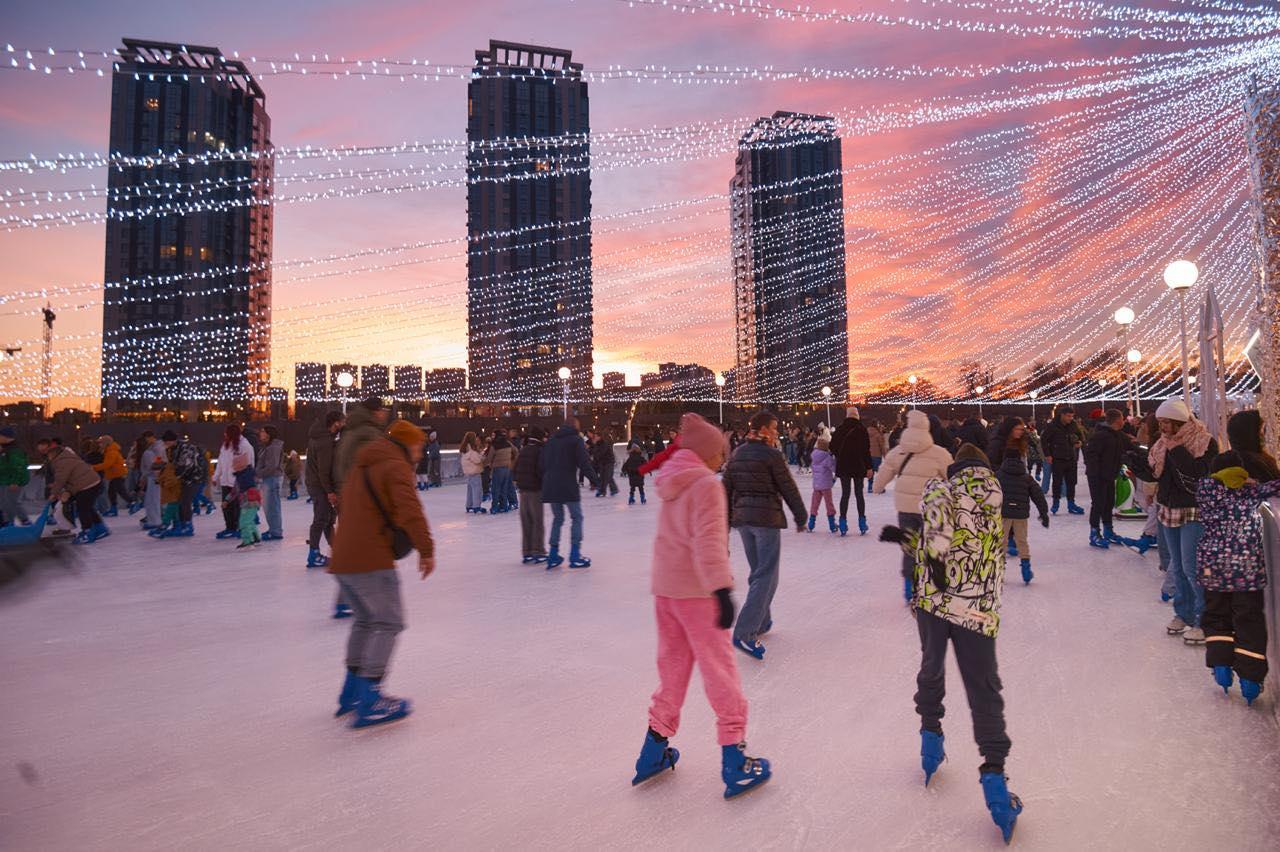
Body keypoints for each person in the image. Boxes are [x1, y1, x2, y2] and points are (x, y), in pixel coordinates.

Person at [880, 443, 1022, 843]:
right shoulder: (995, 497)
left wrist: (909, 541)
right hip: (976, 609)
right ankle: (995, 778)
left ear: (955, 468)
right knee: (984, 690)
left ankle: (930, 738)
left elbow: (939, 541)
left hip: (933, 602)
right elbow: (970, 547)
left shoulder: (941, 489)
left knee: (931, 668)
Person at [632, 413, 771, 798]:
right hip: (697, 593)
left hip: (667, 592)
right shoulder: (707, 486)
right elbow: (708, 543)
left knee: (672, 670)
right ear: (707, 454)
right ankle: (734, 758)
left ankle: (653, 751)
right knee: (719, 671)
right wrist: (722, 591)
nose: (722, 459)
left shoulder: (672, 482)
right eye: (719, 453)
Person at [329, 419, 436, 729]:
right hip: (370, 558)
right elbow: (410, 509)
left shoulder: (363, 464)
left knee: (365, 621)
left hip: (344, 558)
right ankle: (370, 697)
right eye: (417, 445)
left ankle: (350, 692)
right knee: (389, 622)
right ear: (407, 444)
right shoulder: (395, 466)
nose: (420, 451)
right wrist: (426, 550)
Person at [1126, 398, 1219, 645]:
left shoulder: (1204, 441)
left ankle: (1203, 619)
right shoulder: (1161, 444)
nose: (1163, 427)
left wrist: (1176, 448)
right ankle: (1183, 613)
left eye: (1167, 422)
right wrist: (1137, 465)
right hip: (1168, 508)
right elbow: (1158, 474)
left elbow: (1196, 473)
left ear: (1179, 422)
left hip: (1194, 510)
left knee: (1192, 567)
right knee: (1176, 567)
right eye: (1160, 422)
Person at [1197, 447, 1279, 706]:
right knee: (1249, 619)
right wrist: (1251, 482)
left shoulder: (1205, 491)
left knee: (1216, 615)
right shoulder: (1250, 491)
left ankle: (1221, 666)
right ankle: (1250, 680)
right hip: (1245, 568)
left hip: (1212, 566)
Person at [723, 410, 808, 660]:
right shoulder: (772, 455)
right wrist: (801, 516)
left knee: (759, 573)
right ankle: (745, 632)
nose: (775, 432)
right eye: (773, 428)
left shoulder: (738, 453)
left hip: (744, 522)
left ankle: (761, 621)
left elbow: (725, 490)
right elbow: (788, 487)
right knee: (766, 575)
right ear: (761, 429)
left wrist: (727, 522)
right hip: (765, 521)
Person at [874, 411, 954, 600]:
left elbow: (884, 473)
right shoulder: (939, 453)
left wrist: (878, 487)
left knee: (909, 545)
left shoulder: (898, 451)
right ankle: (931, 583)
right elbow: (952, 476)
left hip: (905, 507)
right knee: (933, 544)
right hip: (929, 507)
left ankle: (909, 584)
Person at [540, 418, 599, 569]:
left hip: (551, 485)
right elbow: (584, 463)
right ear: (575, 427)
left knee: (558, 518)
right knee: (576, 517)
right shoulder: (576, 440)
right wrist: (595, 480)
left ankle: (553, 554)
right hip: (567, 484)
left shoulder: (551, 440)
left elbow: (542, 463)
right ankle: (575, 555)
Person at [994, 448, 1049, 584]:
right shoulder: (1026, 477)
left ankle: (999, 571)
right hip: (1020, 514)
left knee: (1001, 542)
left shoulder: (998, 476)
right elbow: (1038, 495)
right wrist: (1044, 513)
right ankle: (1026, 570)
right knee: (1022, 541)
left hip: (1003, 514)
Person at [1083, 409, 1134, 550]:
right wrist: (1096, 473)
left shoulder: (1117, 435)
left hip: (1110, 475)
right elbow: (1091, 455)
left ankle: (1108, 530)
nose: (1124, 421)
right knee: (1098, 503)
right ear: (1117, 420)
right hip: (1098, 476)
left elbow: (1131, 446)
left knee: (1108, 503)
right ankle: (1094, 533)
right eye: (1123, 418)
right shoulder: (1101, 435)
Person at [45, 440, 109, 544]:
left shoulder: (62, 462)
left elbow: (61, 479)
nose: (48, 458)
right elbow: (72, 479)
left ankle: (87, 532)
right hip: (91, 482)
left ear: (53, 454)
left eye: (48, 455)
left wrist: (54, 493)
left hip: (87, 485)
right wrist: (67, 491)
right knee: (88, 507)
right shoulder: (68, 458)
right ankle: (100, 528)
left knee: (83, 509)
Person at [305, 411, 344, 569]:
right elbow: (323, 470)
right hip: (319, 485)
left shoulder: (322, 437)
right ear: (335, 423)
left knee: (328, 520)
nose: (343, 425)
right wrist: (330, 492)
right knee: (321, 519)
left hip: (317, 484)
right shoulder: (324, 442)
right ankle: (313, 554)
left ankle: (338, 552)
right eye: (342, 422)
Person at [830, 406, 873, 536]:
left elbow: (832, 447)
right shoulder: (862, 430)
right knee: (859, 494)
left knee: (845, 494)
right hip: (859, 466)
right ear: (857, 416)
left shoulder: (839, 429)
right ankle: (862, 522)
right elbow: (866, 451)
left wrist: (841, 456)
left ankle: (842, 522)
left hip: (844, 466)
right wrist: (869, 467)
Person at [335, 397, 390, 493]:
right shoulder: (369, 432)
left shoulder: (353, 429)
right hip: (363, 489)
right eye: (383, 410)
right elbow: (377, 461)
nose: (385, 414)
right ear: (376, 411)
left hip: (351, 486)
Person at [1040, 404, 1086, 515]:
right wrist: (1048, 455)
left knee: (1071, 482)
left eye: (1072, 416)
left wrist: (1080, 442)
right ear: (1062, 415)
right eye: (1068, 416)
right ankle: (1056, 502)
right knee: (1057, 482)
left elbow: (1081, 436)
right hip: (1058, 458)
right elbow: (1044, 440)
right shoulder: (1053, 426)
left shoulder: (1073, 425)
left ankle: (1071, 504)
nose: (1071, 418)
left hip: (1071, 457)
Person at [212, 425, 254, 540]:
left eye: (226, 433)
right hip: (225, 481)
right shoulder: (225, 446)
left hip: (238, 481)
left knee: (237, 507)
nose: (224, 435)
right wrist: (216, 476)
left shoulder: (244, 446)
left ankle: (240, 528)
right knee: (226, 506)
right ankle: (229, 527)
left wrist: (246, 479)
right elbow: (220, 462)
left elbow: (249, 463)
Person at [515, 425, 548, 563]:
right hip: (535, 489)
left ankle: (527, 551)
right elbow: (541, 470)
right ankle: (537, 550)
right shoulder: (540, 450)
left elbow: (516, 468)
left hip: (523, 490)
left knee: (526, 521)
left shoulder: (524, 449)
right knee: (537, 521)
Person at [256, 425, 285, 542]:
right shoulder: (267, 447)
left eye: (262, 431)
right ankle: (274, 529)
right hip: (269, 478)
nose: (260, 434)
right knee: (269, 506)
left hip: (271, 479)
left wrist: (258, 473)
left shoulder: (273, 448)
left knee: (272, 506)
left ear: (268, 434)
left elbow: (271, 466)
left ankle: (276, 531)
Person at [0, 428, 31, 527]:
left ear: (6, 437)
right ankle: (7, 521)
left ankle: (23, 520)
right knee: (4, 502)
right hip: (5, 480)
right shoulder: (5, 449)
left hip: (12, 481)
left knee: (11, 502)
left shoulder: (15, 450)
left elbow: (18, 467)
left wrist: (15, 482)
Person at [94, 435, 128, 517]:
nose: (99, 445)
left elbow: (107, 464)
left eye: (101, 443)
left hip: (117, 474)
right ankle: (114, 508)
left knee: (120, 491)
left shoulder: (111, 452)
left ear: (106, 443)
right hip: (114, 474)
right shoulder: (108, 451)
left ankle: (132, 502)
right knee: (112, 492)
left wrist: (94, 467)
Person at [808, 436, 837, 533]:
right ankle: (832, 524)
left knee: (814, 504)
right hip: (826, 486)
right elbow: (834, 468)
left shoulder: (814, 457)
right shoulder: (826, 457)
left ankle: (811, 523)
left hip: (816, 485)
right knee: (829, 504)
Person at [139, 432, 167, 531]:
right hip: (154, 476)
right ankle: (155, 519)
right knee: (152, 500)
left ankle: (155, 520)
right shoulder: (154, 448)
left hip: (155, 477)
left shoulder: (156, 449)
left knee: (154, 500)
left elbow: (158, 462)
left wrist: (157, 475)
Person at [485, 429, 517, 513]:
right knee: (504, 488)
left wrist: (482, 464)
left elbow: (489, 458)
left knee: (496, 489)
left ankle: (495, 507)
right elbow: (516, 451)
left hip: (498, 469)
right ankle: (504, 506)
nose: (492, 437)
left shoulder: (494, 445)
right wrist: (512, 460)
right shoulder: (508, 443)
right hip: (507, 468)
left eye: (493, 435)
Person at [460, 432, 486, 514]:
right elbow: (477, 460)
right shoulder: (471, 449)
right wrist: (482, 456)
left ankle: (469, 505)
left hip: (469, 472)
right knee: (477, 489)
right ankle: (476, 506)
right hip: (475, 471)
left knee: (470, 490)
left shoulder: (464, 448)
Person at [592, 430, 619, 498]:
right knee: (603, 476)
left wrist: (595, 456)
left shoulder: (604, 443)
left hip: (609, 461)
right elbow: (595, 453)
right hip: (602, 462)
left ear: (599, 437)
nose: (594, 438)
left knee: (607, 476)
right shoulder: (597, 444)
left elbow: (601, 453)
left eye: (596, 437)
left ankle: (607, 490)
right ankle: (607, 490)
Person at [866, 420, 887, 494]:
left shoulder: (866, 433)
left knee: (870, 471)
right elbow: (882, 446)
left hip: (868, 455)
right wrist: (885, 455)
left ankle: (870, 487)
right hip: (877, 455)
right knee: (879, 472)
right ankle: (879, 488)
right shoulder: (878, 434)